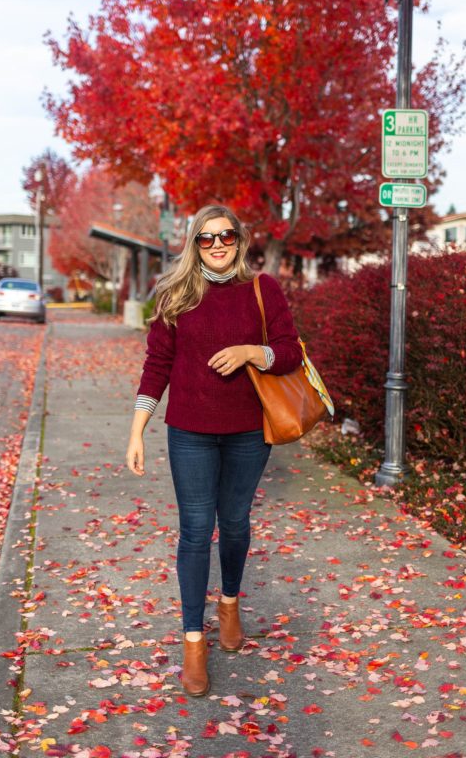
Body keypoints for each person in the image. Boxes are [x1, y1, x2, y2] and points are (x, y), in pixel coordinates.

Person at [126, 204, 303, 697]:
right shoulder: (175, 293)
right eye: (206, 238)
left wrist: (252, 352)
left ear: (240, 240)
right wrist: (137, 429)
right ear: (194, 243)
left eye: (226, 236)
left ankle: (229, 603)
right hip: (189, 431)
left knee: (238, 522)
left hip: (249, 430)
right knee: (196, 531)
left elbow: (289, 350)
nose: (218, 244)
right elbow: (156, 364)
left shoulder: (262, 289)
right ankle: (193, 641)